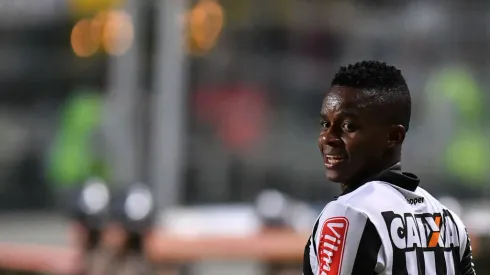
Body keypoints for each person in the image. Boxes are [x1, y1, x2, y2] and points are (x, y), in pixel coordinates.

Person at [303, 61, 476, 275]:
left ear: (394, 137)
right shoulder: (447, 220)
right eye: (325, 124)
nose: (328, 138)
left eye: (348, 126)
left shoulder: (350, 213)